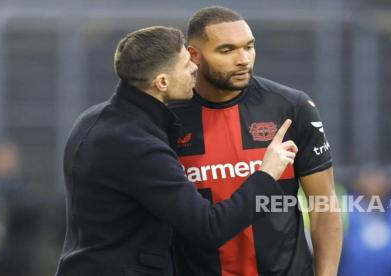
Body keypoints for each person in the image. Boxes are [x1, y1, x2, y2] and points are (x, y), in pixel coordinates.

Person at [54, 26, 298, 276]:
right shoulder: (138, 146)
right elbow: (209, 227)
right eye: (185, 64)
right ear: (161, 82)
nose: (195, 67)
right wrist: (266, 174)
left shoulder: (94, 118)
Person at [169, 6, 342, 276]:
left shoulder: (291, 106)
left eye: (249, 47)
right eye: (227, 50)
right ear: (194, 55)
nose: (243, 59)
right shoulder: (166, 117)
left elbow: (323, 204)